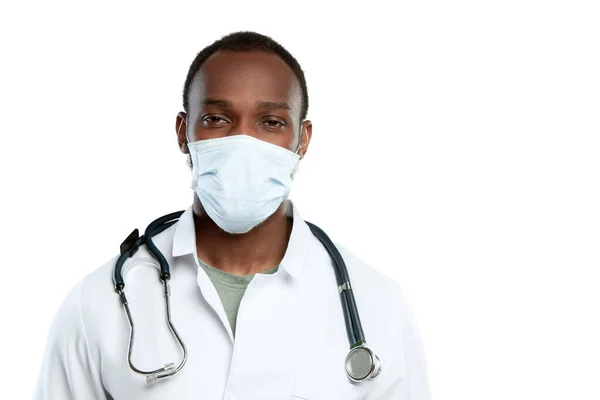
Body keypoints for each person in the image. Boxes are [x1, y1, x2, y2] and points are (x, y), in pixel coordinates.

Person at [34, 31, 431, 399]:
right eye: (216, 120)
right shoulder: (98, 303)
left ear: (302, 139)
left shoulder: (379, 304)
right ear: (182, 132)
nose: (244, 142)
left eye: (271, 123)